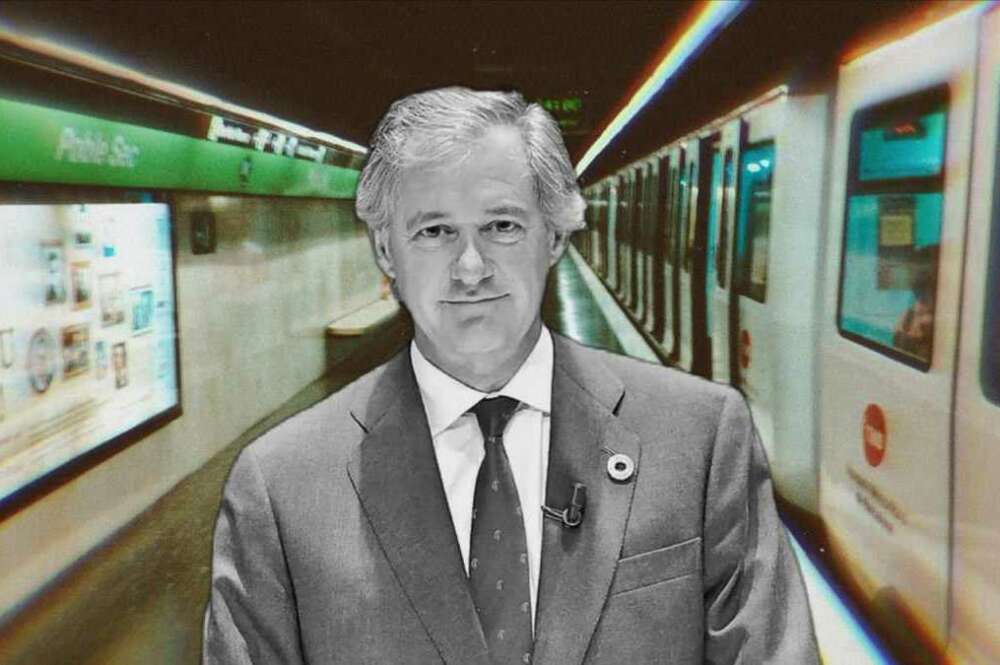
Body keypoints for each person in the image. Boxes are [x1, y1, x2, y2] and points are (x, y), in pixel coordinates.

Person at [203, 87, 818, 664]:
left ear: (554, 237)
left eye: (502, 226)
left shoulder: (700, 439)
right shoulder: (280, 488)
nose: (470, 268)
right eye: (434, 231)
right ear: (386, 251)